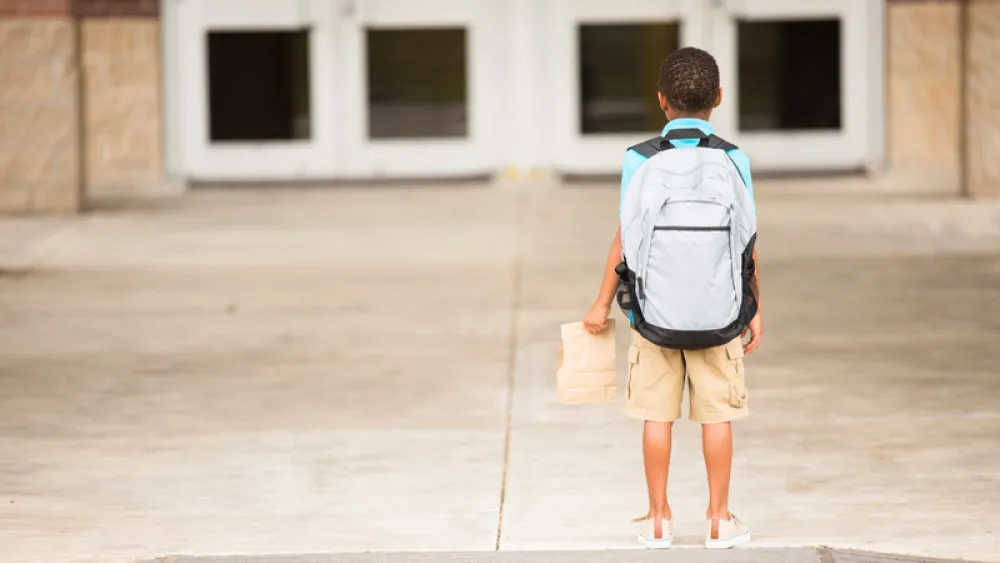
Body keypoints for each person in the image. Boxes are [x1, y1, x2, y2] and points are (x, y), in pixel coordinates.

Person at [582, 46, 762, 550]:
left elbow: (625, 237)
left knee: (656, 415)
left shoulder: (639, 160)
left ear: (661, 101)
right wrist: (755, 310)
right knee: (717, 416)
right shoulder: (733, 159)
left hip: (653, 314)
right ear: (719, 99)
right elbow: (747, 241)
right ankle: (719, 519)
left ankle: (659, 519)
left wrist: (601, 304)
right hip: (720, 312)